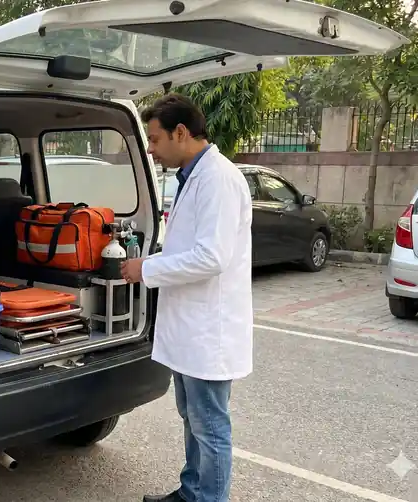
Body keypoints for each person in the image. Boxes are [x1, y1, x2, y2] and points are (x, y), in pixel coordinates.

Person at [120, 94, 253, 502]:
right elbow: (190, 247)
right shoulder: (193, 175)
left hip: (208, 333)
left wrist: (148, 270)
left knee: (210, 426)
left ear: (181, 132)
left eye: (156, 139)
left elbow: (211, 257)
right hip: (191, 331)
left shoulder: (218, 179)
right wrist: (157, 261)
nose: (150, 149)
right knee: (193, 419)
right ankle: (192, 491)